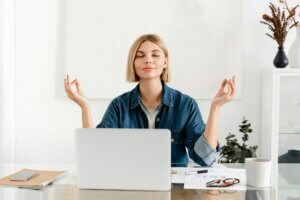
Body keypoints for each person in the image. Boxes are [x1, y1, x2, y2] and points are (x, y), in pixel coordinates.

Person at [64, 34, 236, 167]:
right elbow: (96, 152)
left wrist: (215, 108)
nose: (148, 60)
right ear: (133, 63)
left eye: (155, 55)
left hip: (174, 190)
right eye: (140, 55)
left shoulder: (186, 105)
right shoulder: (119, 106)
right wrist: (84, 106)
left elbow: (205, 158)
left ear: (165, 62)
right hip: (129, 187)